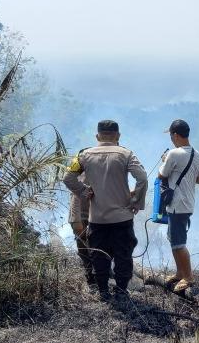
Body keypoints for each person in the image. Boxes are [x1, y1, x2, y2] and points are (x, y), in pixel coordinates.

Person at [63, 120, 147, 299]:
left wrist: (85, 192)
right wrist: (136, 201)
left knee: (99, 255)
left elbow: (67, 178)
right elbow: (142, 177)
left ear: (97, 136)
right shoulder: (126, 154)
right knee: (123, 254)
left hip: (97, 219)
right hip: (122, 218)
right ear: (118, 136)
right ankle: (122, 291)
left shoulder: (83, 156)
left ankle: (103, 291)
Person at [158, 119, 199, 292]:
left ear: (176, 135)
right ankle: (179, 273)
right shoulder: (198, 155)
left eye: (171, 135)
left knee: (179, 243)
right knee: (173, 238)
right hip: (187, 203)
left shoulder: (173, 154)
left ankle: (188, 277)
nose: (171, 138)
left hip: (177, 204)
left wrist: (166, 161)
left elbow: (161, 174)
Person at [68, 174, 94, 288]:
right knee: (85, 251)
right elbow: (76, 195)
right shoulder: (86, 172)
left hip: (93, 217)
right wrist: (76, 219)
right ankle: (91, 280)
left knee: (95, 248)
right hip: (81, 218)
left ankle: (97, 277)